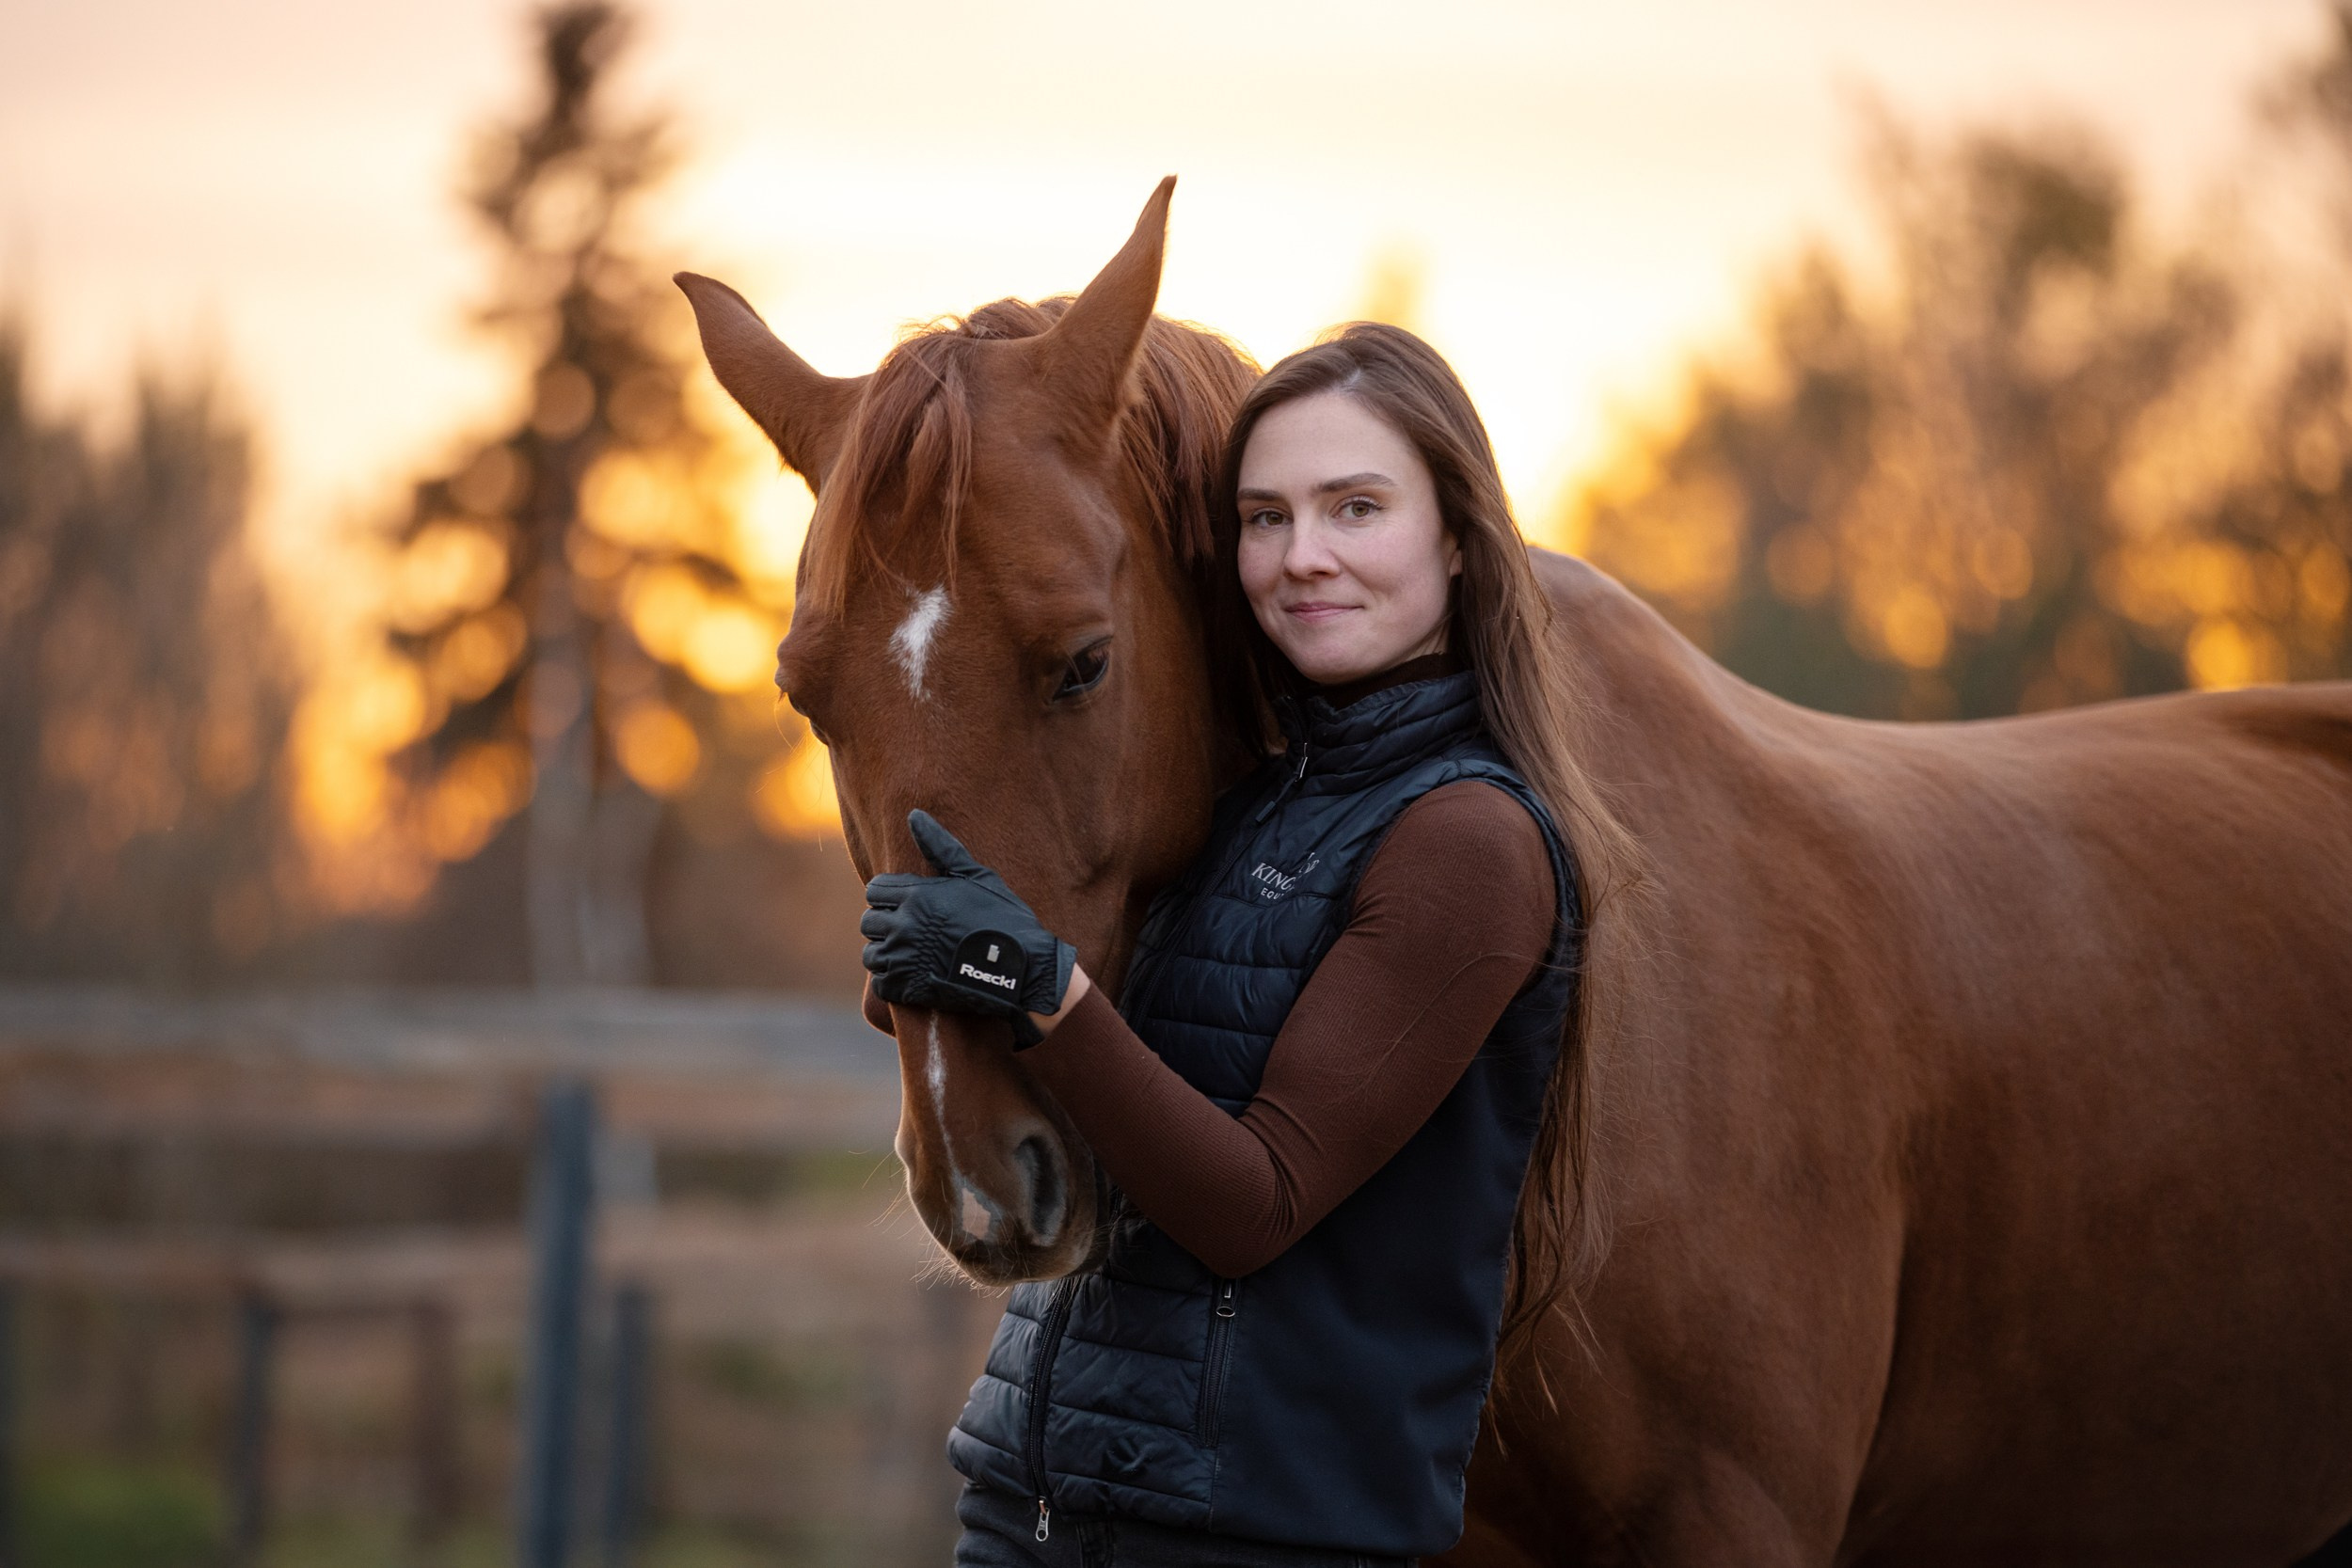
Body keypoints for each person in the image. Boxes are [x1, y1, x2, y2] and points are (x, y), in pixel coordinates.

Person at [858, 323, 1629, 1567]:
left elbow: (1253, 1206)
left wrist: (1037, 985)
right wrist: (935, 971)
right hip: (1036, 1502)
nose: (1303, 557)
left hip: (1256, 1532)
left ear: (1457, 534)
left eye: (1356, 508)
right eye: (1266, 518)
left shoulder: (1470, 845)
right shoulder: (1237, 802)